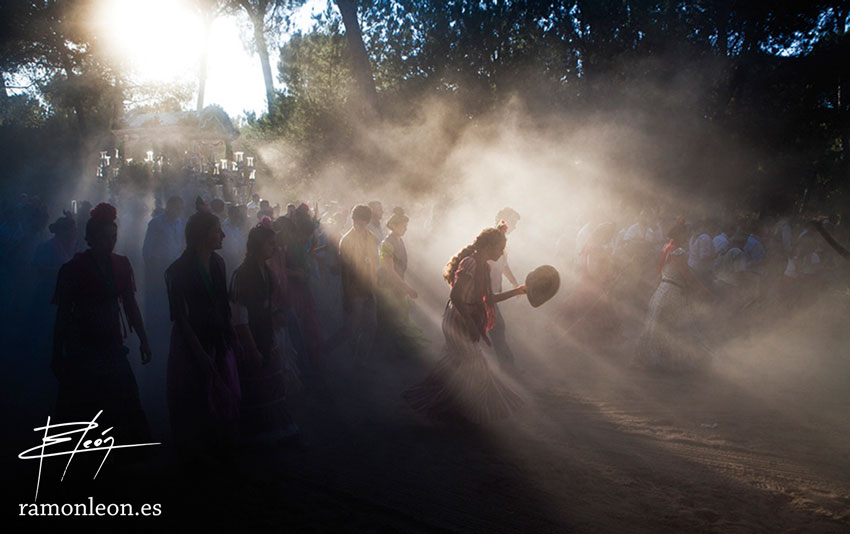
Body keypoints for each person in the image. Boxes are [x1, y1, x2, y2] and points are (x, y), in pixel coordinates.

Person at [51, 203, 152, 444]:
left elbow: (130, 304)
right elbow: (63, 314)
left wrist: (143, 338)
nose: (111, 242)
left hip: (111, 340)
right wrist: (57, 352)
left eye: (113, 236)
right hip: (83, 341)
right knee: (84, 400)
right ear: (92, 238)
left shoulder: (121, 264)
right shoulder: (74, 268)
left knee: (121, 396)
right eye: (105, 237)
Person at [403, 227, 526, 424]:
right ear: (488, 246)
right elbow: (455, 296)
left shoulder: (483, 266)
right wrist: (470, 323)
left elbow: (488, 298)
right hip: (458, 320)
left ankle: (443, 410)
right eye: (500, 248)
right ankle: (461, 413)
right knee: (476, 367)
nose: (501, 253)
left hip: (465, 319)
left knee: (458, 366)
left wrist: (517, 291)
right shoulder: (470, 263)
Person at [165, 209, 240, 464]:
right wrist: (198, 351)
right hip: (192, 342)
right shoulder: (178, 270)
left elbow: (223, 303)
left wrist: (230, 332)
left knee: (222, 392)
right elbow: (180, 317)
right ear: (202, 235)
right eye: (217, 231)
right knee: (194, 395)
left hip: (217, 337)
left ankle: (220, 445)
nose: (223, 235)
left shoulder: (218, 263)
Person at [230, 223, 298, 445]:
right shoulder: (243, 274)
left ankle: (276, 428)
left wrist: (276, 315)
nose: (274, 248)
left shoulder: (266, 271)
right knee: (257, 388)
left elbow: (268, 304)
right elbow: (239, 317)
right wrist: (252, 348)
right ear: (258, 246)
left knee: (272, 385)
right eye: (270, 244)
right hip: (252, 337)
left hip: (266, 334)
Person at [633, 218, 712, 373]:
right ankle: (678, 361)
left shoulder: (668, 247)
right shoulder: (678, 251)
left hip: (663, 290)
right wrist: (703, 290)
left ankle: (655, 360)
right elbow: (687, 275)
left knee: (658, 327)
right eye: (686, 233)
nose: (688, 235)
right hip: (672, 293)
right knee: (680, 327)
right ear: (681, 234)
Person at [334, 204, 378, 365]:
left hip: (369, 288)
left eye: (361, 222)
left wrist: (374, 284)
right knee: (353, 327)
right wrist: (346, 294)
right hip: (353, 290)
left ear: (367, 221)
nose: (357, 225)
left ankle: (362, 357)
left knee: (371, 325)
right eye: (355, 221)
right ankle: (348, 360)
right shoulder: (346, 240)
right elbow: (344, 270)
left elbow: (374, 262)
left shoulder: (372, 237)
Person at [377, 208, 424, 353]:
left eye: (406, 225)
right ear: (394, 226)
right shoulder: (387, 244)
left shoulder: (399, 240)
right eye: (403, 226)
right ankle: (391, 352)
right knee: (393, 319)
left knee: (401, 317)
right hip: (389, 287)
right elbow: (389, 271)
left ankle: (400, 349)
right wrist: (407, 288)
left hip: (398, 285)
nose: (405, 228)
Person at [488, 209, 521, 371]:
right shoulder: (489, 240)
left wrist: (514, 282)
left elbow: (504, 266)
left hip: (492, 293)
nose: (515, 227)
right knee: (497, 327)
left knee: (496, 328)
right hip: (484, 294)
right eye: (513, 223)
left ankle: (506, 366)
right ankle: (508, 367)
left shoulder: (502, 242)